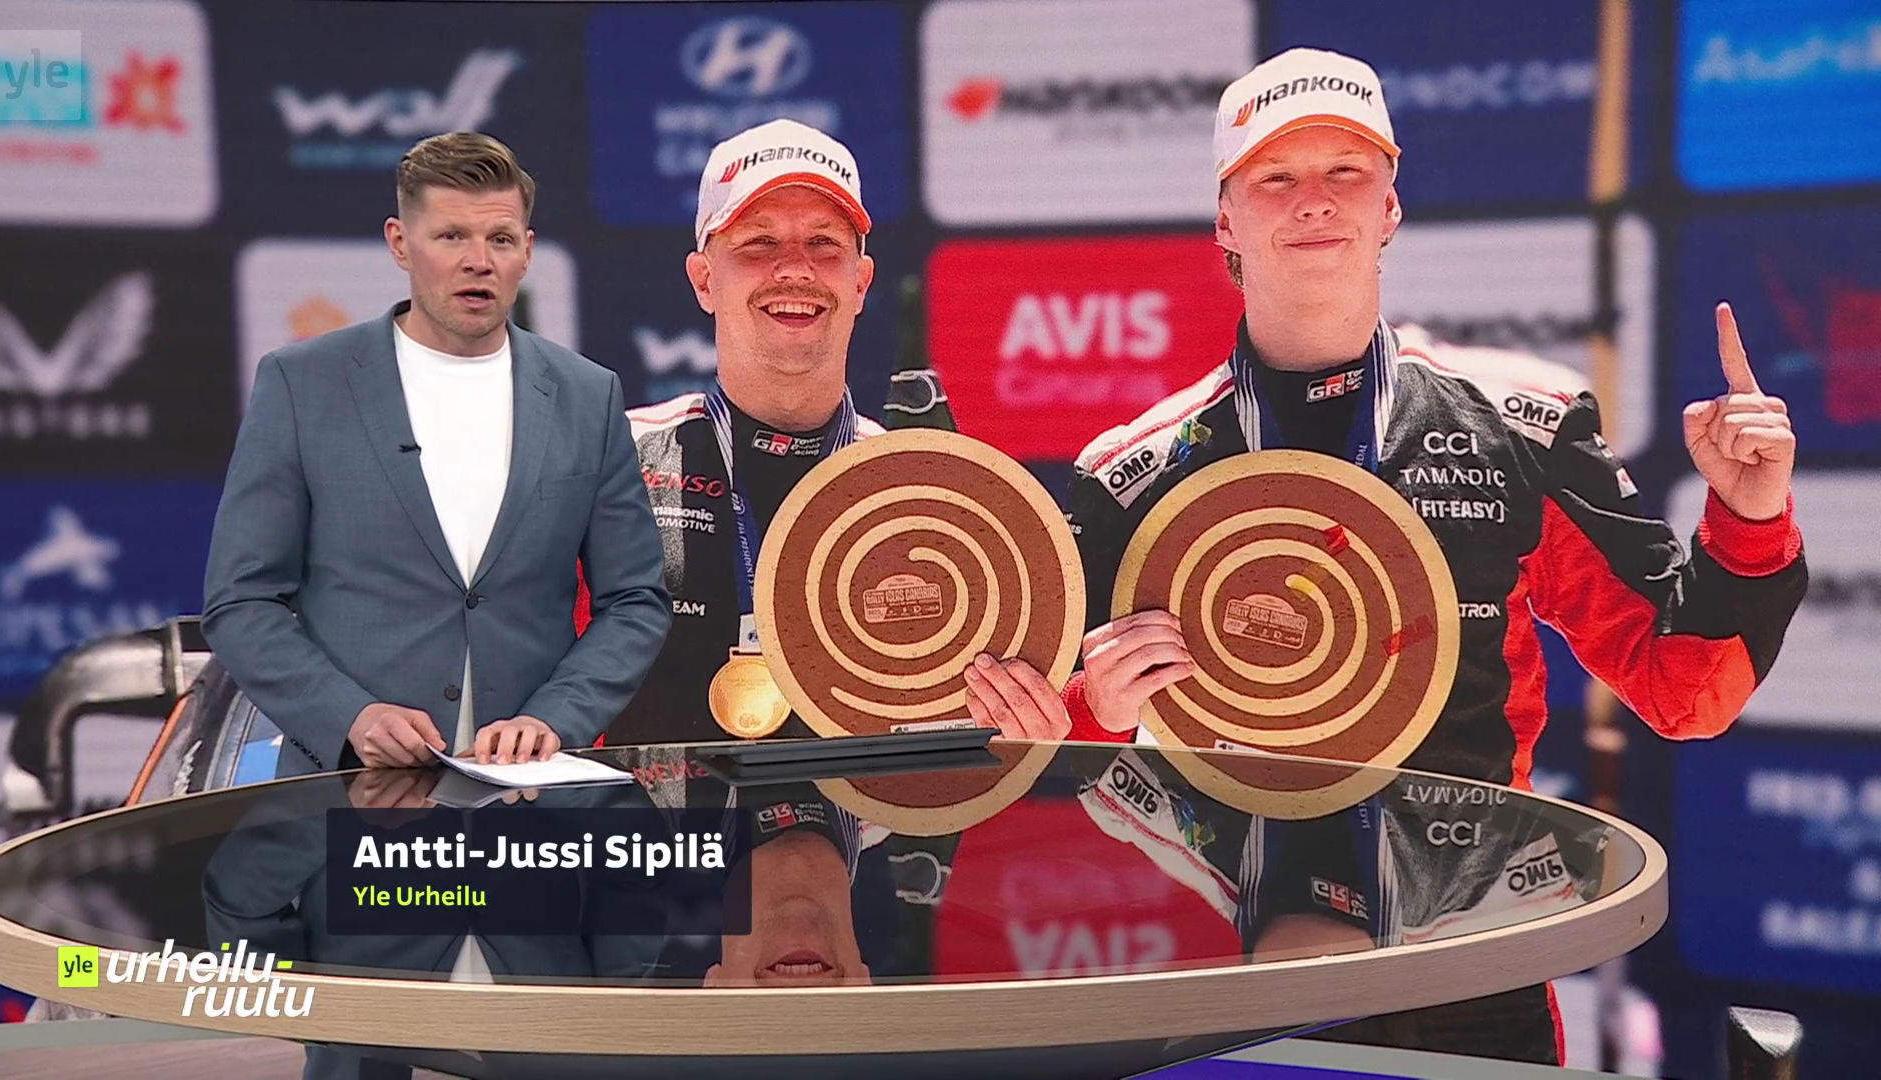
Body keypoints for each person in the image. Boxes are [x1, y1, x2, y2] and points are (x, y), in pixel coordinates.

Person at [992, 47, 1809, 1064]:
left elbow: (1689, 692)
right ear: (1225, 222)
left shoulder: (1521, 424)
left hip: (1478, 975)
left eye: (1347, 171)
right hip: (1266, 981)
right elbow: (1025, 753)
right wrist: (1094, 709)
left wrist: (1749, 516)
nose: (1313, 200)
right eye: (1274, 176)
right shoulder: (1134, 474)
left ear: (1389, 206)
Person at [574, 118, 1066, 744]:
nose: (795, 268)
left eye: (824, 243)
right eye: (759, 242)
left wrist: (1052, 717)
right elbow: (514, 677)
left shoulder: (927, 492)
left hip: (868, 813)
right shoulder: (609, 463)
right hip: (650, 814)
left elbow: (1020, 720)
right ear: (703, 280)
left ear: (860, 282)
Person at [203, 132, 671, 780]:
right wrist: (351, 717)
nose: (479, 261)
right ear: (400, 243)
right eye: (451, 236)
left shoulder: (589, 396)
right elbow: (241, 602)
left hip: (527, 802)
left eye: (500, 239)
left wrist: (555, 718)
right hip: (351, 795)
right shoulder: (302, 385)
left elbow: (635, 601)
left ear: (527, 252)